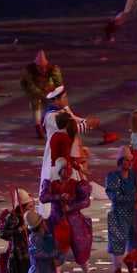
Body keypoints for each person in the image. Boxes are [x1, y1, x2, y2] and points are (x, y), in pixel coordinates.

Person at [37, 86, 101, 215]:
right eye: (64, 98)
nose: (67, 100)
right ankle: (56, 209)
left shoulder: (63, 110)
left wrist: (87, 122)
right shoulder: (51, 116)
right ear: (56, 100)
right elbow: (71, 128)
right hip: (56, 153)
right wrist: (86, 125)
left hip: (68, 148)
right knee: (58, 178)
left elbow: (74, 120)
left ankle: (72, 206)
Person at [39, 157, 95, 273]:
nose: (69, 171)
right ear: (60, 170)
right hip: (58, 222)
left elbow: (86, 201)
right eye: (66, 169)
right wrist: (58, 197)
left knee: (80, 249)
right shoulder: (52, 184)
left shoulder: (76, 184)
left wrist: (72, 207)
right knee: (59, 252)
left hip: (75, 222)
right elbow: (43, 198)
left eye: (70, 169)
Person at [105, 146, 137, 273]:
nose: (129, 163)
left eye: (130, 160)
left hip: (135, 212)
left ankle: (131, 261)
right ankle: (117, 272)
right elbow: (114, 196)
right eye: (126, 160)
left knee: (135, 241)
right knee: (118, 244)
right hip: (119, 214)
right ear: (120, 161)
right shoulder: (112, 177)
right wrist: (132, 198)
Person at [20, 49, 63, 139]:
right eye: (40, 68)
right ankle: (38, 126)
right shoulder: (29, 71)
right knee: (36, 103)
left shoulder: (53, 69)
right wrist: (42, 93)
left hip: (47, 88)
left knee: (48, 105)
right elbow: (31, 87)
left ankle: (45, 122)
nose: (43, 70)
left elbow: (59, 84)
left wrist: (58, 95)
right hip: (33, 89)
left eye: (44, 67)